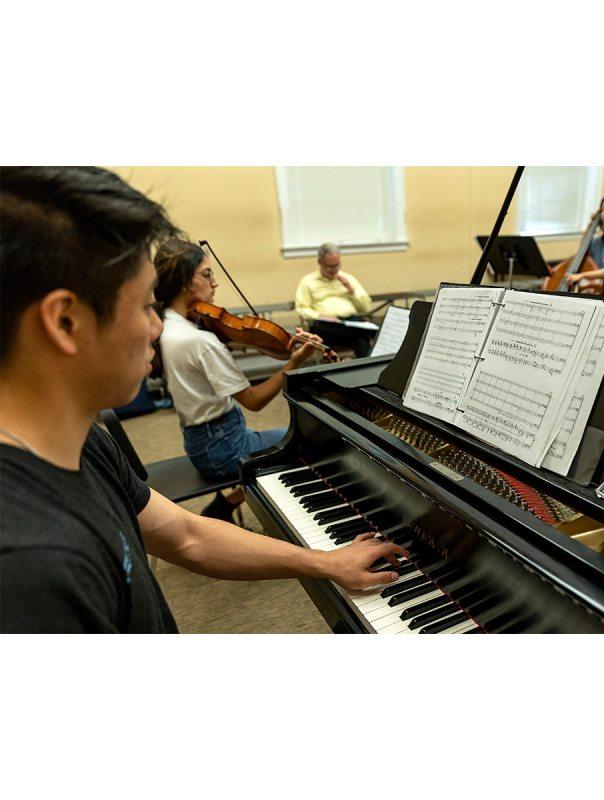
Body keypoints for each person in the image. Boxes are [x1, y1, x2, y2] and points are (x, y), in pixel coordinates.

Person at [0, 167, 407, 633]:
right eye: (144, 307)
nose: (157, 330)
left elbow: (187, 535)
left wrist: (325, 561)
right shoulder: (27, 569)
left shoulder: (85, 443)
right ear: (65, 322)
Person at [153, 238, 318, 521]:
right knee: (309, 444)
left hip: (201, 442)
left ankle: (227, 504)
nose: (215, 282)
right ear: (183, 283)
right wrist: (294, 363)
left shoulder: (166, 325)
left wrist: (255, 341)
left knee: (288, 438)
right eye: (206, 275)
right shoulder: (198, 341)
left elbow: (228, 339)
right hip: (224, 449)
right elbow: (253, 401)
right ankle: (275, 515)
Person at [295, 243, 375, 357]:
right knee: (362, 334)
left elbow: (366, 308)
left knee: (360, 340)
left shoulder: (348, 279)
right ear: (320, 262)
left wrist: (351, 290)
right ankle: (370, 331)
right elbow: (302, 309)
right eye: (329, 266)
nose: (333, 269)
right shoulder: (308, 281)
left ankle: (369, 369)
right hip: (326, 326)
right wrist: (320, 316)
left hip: (350, 322)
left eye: (336, 265)